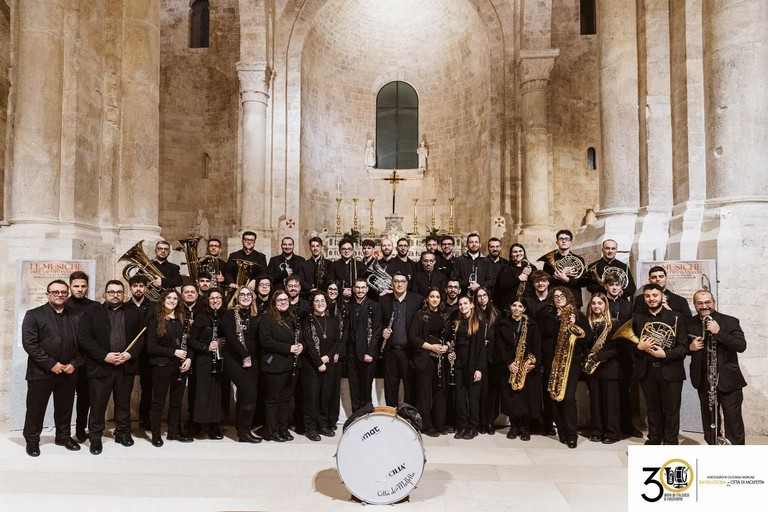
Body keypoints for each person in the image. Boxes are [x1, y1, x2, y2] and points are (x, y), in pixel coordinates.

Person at [78, 280, 145, 454]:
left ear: (124, 294)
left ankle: (123, 433)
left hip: (125, 365)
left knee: (123, 403)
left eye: (118, 292)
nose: (115, 295)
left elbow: (141, 338)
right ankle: (95, 437)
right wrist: (104, 356)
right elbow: (84, 338)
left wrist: (129, 354)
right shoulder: (92, 312)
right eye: (111, 292)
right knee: (98, 404)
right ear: (104, 294)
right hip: (100, 366)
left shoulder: (133, 312)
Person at [21, 280, 81, 457]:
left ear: (68, 295)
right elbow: (30, 344)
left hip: (68, 371)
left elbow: (82, 345)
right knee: (35, 409)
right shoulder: (33, 314)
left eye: (63, 292)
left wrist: (74, 364)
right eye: (55, 292)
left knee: (65, 408)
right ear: (47, 294)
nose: (60, 295)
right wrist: (51, 364)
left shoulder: (76, 316)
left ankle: (63, 437)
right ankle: (32, 441)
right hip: (41, 372)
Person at [625, 283, 689, 445]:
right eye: (648, 296)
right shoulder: (638, 319)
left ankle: (670, 439)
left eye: (655, 295)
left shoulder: (676, 317)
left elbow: (683, 347)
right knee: (652, 408)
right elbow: (628, 345)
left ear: (662, 296)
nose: (651, 299)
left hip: (671, 370)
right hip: (647, 370)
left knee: (671, 409)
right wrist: (639, 347)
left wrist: (665, 353)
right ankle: (654, 437)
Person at [686, 290, 747, 445]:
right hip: (704, 380)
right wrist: (690, 348)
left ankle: (737, 456)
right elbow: (681, 346)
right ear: (695, 305)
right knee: (709, 423)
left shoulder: (730, 321)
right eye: (700, 303)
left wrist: (718, 332)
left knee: (733, 422)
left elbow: (741, 346)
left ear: (713, 302)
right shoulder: (689, 323)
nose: (704, 306)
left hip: (729, 381)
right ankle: (714, 449)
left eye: (708, 302)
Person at [536, 287, 591, 448]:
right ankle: (562, 431)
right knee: (554, 396)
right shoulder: (547, 316)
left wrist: (574, 325)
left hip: (570, 362)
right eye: (555, 296)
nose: (559, 298)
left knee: (568, 398)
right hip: (551, 361)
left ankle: (572, 434)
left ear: (569, 297)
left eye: (562, 295)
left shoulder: (578, 315)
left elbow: (586, 339)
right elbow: (541, 338)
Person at [146, 289, 193, 446]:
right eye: (169, 297)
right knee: (158, 402)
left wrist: (189, 359)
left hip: (181, 366)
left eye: (175, 298)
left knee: (176, 401)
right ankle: (156, 434)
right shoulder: (155, 319)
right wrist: (174, 352)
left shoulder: (181, 318)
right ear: (163, 299)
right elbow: (151, 347)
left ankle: (173, 432)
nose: (172, 300)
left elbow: (189, 342)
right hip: (162, 366)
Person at [259, 289, 303, 441]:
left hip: (291, 364)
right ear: (274, 302)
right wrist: (289, 348)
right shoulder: (267, 318)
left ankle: (282, 428)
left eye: (285, 299)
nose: (284, 302)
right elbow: (266, 341)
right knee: (274, 400)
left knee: (286, 399)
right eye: (280, 300)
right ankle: (270, 431)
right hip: (275, 365)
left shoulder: (292, 317)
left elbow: (300, 336)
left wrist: (301, 346)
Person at [495, 299, 541, 441]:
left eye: (520, 306)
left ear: (524, 309)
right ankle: (514, 426)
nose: (516, 308)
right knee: (511, 398)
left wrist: (533, 363)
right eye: (514, 305)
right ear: (510, 307)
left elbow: (537, 345)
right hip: (510, 366)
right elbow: (499, 346)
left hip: (526, 367)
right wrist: (508, 363)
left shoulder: (531, 325)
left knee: (527, 399)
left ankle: (525, 427)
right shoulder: (502, 324)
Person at [603, 274, 642, 438]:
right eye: (611, 285)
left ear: (621, 287)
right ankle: (608, 427)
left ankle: (627, 424)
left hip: (624, 353)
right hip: (605, 353)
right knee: (608, 395)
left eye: (617, 285)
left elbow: (634, 326)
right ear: (606, 286)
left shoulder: (627, 305)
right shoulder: (600, 303)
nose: (614, 288)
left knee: (625, 392)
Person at [408, 289, 451, 437]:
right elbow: (412, 338)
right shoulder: (420, 315)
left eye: (437, 297)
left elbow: (451, 337)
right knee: (425, 395)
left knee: (440, 393)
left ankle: (439, 424)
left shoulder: (445, 316)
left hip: (441, 360)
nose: (434, 299)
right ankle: (426, 425)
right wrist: (431, 347)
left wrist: (447, 347)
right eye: (432, 296)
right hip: (425, 359)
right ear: (427, 298)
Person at [222, 286, 262, 443]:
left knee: (245, 395)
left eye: (248, 294)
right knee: (250, 394)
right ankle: (244, 432)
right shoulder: (229, 314)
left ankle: (242, 428)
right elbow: (231, 337)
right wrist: (245, 355)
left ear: (252, 297)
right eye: (242, 294)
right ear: (236, 297)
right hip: (234, 360)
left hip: (253, 361)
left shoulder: (255, 315)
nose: (245, 297)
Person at [301, 291, 343, 441]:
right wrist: (319, 362)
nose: (320, 303)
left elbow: (337, 342)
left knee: (325, 397)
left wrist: (327, 357)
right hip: (312, 366)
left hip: (328, 364)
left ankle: (322, 424)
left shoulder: (332, 321)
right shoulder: (308, 321)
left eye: (322, 301)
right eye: (317, 301)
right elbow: (309, 344)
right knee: (312, 398)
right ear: (312, 304)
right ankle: (311, 427)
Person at [188, 289, 227, 440]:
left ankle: (214, 425)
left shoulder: (226, 316)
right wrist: (206, 347)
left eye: (218, 297)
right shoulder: (201, 317)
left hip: (221, 359)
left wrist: (225, 342)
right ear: (207, 300)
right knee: (202, 393)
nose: (215, 301)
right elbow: (191, 340)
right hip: (204, 360)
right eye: (212, 298)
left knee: (218, 393)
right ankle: (197, 423)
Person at [379, 272, 423, 407]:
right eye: (396, 281)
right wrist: (382, 330)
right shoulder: (384, 300)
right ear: (391, 284)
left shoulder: (417, 300)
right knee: (390, 388)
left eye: (402, 281)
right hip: (390, 351)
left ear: (407, 283)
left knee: (410, 388)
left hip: (409, 351)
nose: (399, 284)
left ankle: (408, 419)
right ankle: (392, 418)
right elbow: (378, 322)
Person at [583, 293, 621, 444]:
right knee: (595, 401)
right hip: (593, 368)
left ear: (606, 305)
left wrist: (601, 356)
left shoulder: (614, 323)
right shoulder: (587, 324)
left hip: (610, 368)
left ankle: (612, 433)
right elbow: (583, 344)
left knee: (610, 403)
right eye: (593, 303)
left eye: (600, 303)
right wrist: (589, 354)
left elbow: (619, 348)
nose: (596, 306)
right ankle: (597, 431)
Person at [65, 270, 96, 443]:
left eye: (83, 286)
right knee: (66, 398)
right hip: (68, 360)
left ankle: (80, 429)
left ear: (87, 287)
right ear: (70, 287)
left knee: (85, 398)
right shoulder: (63, 305)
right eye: (76, 286)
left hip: (89, 360)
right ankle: (63, 432)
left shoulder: (95, 306)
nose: (79, 289)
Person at [450, 295, 486, 440]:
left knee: (473, 398)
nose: (462, 306)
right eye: (460, 304)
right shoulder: (456, 322)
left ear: (471, 305)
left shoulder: (480, 323)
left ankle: (473, 427)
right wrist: (451, 352)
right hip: (459, 364)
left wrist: (479, 369)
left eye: (465, 303)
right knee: (459, 397)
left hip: (473, 364)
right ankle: (462, 426)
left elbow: (482, 349)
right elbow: (454, 343)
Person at [346, 278, 382, 412]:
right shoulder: (348, 305)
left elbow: (377, 330)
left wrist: (370, 352)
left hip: (367, 351)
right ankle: (356, 414)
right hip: (351, 351)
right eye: (358, 287)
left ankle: (366, 413)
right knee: (353, 385)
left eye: (363, 288)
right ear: (353, 289)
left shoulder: (374, 305)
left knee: (366, 386)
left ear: (367, 289)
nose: (360, 290)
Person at [125, 275, 154, 431]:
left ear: (145, 288)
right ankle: (123, 421)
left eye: (141, 286)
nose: (138, 288)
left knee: (147, 387)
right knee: (125, 387)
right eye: (135, 286)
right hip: (129, 352)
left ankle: (145, 418)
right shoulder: (124, 307)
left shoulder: (154, 306)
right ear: (130, 288)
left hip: (148, 353)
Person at [474, 286, 501, 435]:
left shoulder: (497, 314)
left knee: (493, 391)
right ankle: (479, 421)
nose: (482, 298)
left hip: (494, 358)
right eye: (479, 296)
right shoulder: (473, 314)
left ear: (489, 297)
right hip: (479, 358)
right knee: (481, 391)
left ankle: (489, 422)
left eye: (484, 295)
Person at [537, 229, 587, 307]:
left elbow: (583, 281)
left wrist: (566, 279)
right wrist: (561, 275)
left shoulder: (579, 260)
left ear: (571, 242)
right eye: (561, 239)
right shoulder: (548, 261)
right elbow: (546, 280)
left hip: (574, 297)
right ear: (557, 242)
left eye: (567, 239)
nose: (564, 241)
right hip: (555, 298)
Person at [493, 243, 537, 308]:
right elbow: (501, 287)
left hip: (527, 304)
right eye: (515, 252)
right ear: (511, 254)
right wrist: (518, 278)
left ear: (524, 252)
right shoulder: (506, 268)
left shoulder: (532, 267)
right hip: (509, 304)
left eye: (520, 251)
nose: (518, 254)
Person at [452, 232, 490, 298]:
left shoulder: (487, 261)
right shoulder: (459, 260)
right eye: (471, 242)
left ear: (480, 244)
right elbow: (454, 277)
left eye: (476, 242)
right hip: (464, 295)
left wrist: (479, 286)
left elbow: (492, 279)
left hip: (481, 296)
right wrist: (468, 285)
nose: (474, 244)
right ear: (467, 245)